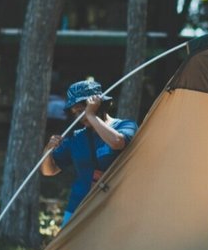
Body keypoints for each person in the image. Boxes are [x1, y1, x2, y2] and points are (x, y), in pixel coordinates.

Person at [41, 79, 138, 226]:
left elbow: (117, 143)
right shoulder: (76, 137)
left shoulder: (125, 125)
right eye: (75, 113)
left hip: (115, 209)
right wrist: (47, 150)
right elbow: (49, 171)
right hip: (78, 208)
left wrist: (91, 116)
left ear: (98, 105)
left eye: (82, 110)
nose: (79, 117)